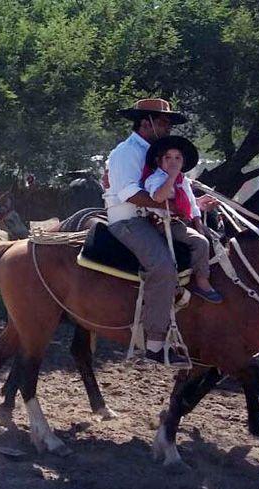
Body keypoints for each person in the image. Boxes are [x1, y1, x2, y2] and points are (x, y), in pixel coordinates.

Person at [104, 98, 193, 366]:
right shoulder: (125, 152)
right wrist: (168, 204)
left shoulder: (158, 152)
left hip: (153, 219)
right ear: (147, 123)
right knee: (163, 266)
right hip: (128, 220)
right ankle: (154, 346)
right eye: (164, 122)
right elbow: (129, 193)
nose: (168, 128)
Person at [142, 135, 222, 304]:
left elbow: (192, 203)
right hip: (163, 223)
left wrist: (199, 224)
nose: (173, 162)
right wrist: (170, 178)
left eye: (177, 158)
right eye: (168, 158)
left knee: (214, 236)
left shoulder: (183, 180)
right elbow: (158, 197)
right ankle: (202, 281)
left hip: (182, 222)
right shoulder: (155, 179)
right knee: (201, 243)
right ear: (159, 161)